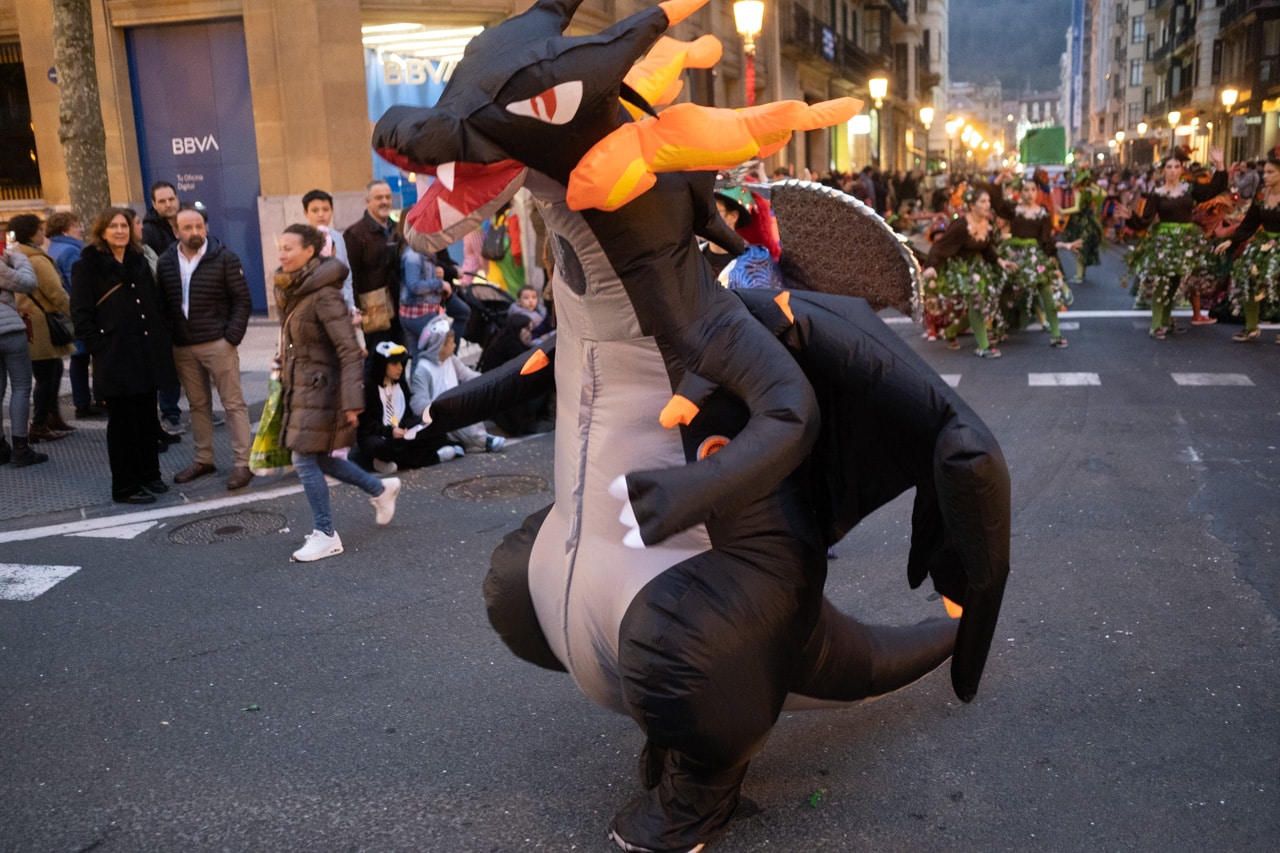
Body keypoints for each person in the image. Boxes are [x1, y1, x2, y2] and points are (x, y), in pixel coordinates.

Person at [274, 223, 400, 562]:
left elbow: (349, 350)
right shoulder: (298, 288)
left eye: (289, 247)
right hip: (306, 386)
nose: (282, 253)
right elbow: (306, 341)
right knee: (320, 457)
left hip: (324, 390)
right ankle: (380, 489)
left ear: (310, 251)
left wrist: (353, 401)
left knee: (303, 457)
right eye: (280, 247)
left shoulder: (323, 293)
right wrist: (283, 360)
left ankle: (326, 533)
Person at [70, 208, 179, 504]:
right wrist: (98, 346)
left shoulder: (138, 261)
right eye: (113, 226)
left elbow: (153, 303)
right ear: (102, 232)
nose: (120, 231)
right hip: (114, 354)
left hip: (145, 352)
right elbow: (81, 313)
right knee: (122, 424)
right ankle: (125, 486)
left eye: (124, 226)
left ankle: (150, 474)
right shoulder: (87, 266)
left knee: (146, 418)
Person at [154, 206, 255, 490]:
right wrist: (171, 337)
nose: (195, 232)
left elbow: (242, 301)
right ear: (176, 231)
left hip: (218, 343)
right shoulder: (165, 262)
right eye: (187, 227)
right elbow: (162, 304)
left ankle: (243, 463)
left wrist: (230, 338)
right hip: (183, 347)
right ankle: (203, 459)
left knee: (233, 404)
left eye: (199, 226)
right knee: (197, 405)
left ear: (206, 227)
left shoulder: (224, 258)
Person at [1122, 149, 1227, 340]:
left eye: (1176, 167)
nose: (1172, 170)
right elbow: (1145, 221)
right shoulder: (1157, 194)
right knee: (1162, 281)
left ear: (1181, 170)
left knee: (1176, 282)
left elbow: (1213, 190)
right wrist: (1130, 217)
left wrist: (1220, 165)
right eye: (1169, 167)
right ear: (1163, 171)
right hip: (1165, 241)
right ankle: (1156, 325)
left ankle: (1165, 321)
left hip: (1186, 241)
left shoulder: (1189, 189)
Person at [922, 187, 1019, 358]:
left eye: (988, 201)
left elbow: (987, 247)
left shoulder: (987, 223)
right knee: (977, 301)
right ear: (972, 205)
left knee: (985, 304)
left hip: (979, 268)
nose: (987, 205)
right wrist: (931, 266)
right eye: (983, 201)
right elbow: (940, 246)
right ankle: (984, 346)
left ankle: (951, 331)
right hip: (961, 268)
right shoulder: (961, 225)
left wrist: (1001, 261)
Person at [9, 214, 77, 441]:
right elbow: (56, 293)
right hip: (42, 323)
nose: (43, 234)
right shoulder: (37, 260)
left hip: (27, 320)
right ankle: (39, 423)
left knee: (52, 370)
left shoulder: (15, 256)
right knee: (47, 375)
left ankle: (52, 416)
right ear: (31, 232)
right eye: (39, 229)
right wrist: (76, 314)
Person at [990, 176, 1077, 348]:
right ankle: (999, 330)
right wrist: (999, 180)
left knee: (1046, 293)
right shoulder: (1014, 209)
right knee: (1005, 292)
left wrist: (1064, 245)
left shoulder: (1042, 212)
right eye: (1026, 190)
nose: (1029, 194)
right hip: (1014, 255)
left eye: (1033, 190)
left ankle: (1056, 335)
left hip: (1034, 257)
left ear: (1037, 192)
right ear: (1020, 192)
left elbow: (1046, 239)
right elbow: (997, 204)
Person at [355, 340, 460, 473]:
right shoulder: (369, 388)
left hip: (400, 434)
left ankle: (385, 463)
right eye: (395, 364)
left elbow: (408, 415)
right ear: (383, 365)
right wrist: (390, 432)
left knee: (434, 433)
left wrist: (409, 427)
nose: (400, 368)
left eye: (401, 363)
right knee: (385, 448)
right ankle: (435, 457)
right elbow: (366, 425)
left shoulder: (400, 384)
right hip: (378, 436)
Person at [409, 314, 505, 453]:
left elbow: (467, 375)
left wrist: (489, 381)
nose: (454, 345)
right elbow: (418, 403)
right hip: (438, 416)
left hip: (454, 406)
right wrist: (437, 410)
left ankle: (464, 442)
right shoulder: (423, 369)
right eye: (451, 343)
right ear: (440, 346)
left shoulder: (450, 358)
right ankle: (484, 441)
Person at [1213, 155, 1280, 342]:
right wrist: (1232, 241)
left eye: (1270, 172)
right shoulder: (1261, 194)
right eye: (1264, 172)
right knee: (1248, 278)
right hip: (1264, 243)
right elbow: (1250, 222)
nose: (1265, 176)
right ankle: (1251, 327)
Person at [44, 212, 102, 419]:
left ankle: (83, 401)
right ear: (65, 229)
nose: (80, 229)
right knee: (86, 356)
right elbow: (79, 283)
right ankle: (88, 401)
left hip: (68, 312)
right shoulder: (71, 251)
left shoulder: (54, 248)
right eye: (76, 225)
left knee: (79, 357)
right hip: (78, 311)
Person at [140, 181, 185, 436]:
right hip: (164, 306)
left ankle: (201, 408)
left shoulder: (187, 220)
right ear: (154, 204)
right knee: (168, 362)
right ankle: (170, 413)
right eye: (162, 201)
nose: (168, 204)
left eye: (171, 199)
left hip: (188, 303)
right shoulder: (149, 231)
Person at [343, 179, 404, 351]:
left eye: (388, 197)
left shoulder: (398, 229)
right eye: (379, 198)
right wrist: (356, 310)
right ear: (367, 201)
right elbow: (350, 275)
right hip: (374, 312)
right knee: (377, 360)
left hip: (400, 308)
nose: (385, 201)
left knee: (400, 357)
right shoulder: (355, 234)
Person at [0, 246, 44, 466]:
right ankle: (20, 448)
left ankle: (0, 447)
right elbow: (28, 282)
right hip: (9, 331)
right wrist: (18, 257)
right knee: (20, 387)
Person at [398, 235, 448, 359]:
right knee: (431, 357)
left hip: (418, 312)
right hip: (420, 313)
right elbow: (414, 286)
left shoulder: (423, 252)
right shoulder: (413, 255)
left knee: (419, 357)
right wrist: (439, 284)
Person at [1059, 170, 1104, 284]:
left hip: (1078, 222)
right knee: (1082, 248)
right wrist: (1092, 184)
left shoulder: (1078, 192)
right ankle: (1081, 274)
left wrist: (1063, 211)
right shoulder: (1089, 192)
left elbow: (1077, 208)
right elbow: (1103, 194)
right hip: (1089, 221)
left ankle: (1079, 276)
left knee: (1078, 249)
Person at [482, 201, 525, 296]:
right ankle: (518, 301)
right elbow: (515, 237)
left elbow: (485, 230)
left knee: (504, 281)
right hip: (508, 251)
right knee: (516, 281)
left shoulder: (493, 216)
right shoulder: (511, 216)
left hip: (495, 252)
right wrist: (517, 256)